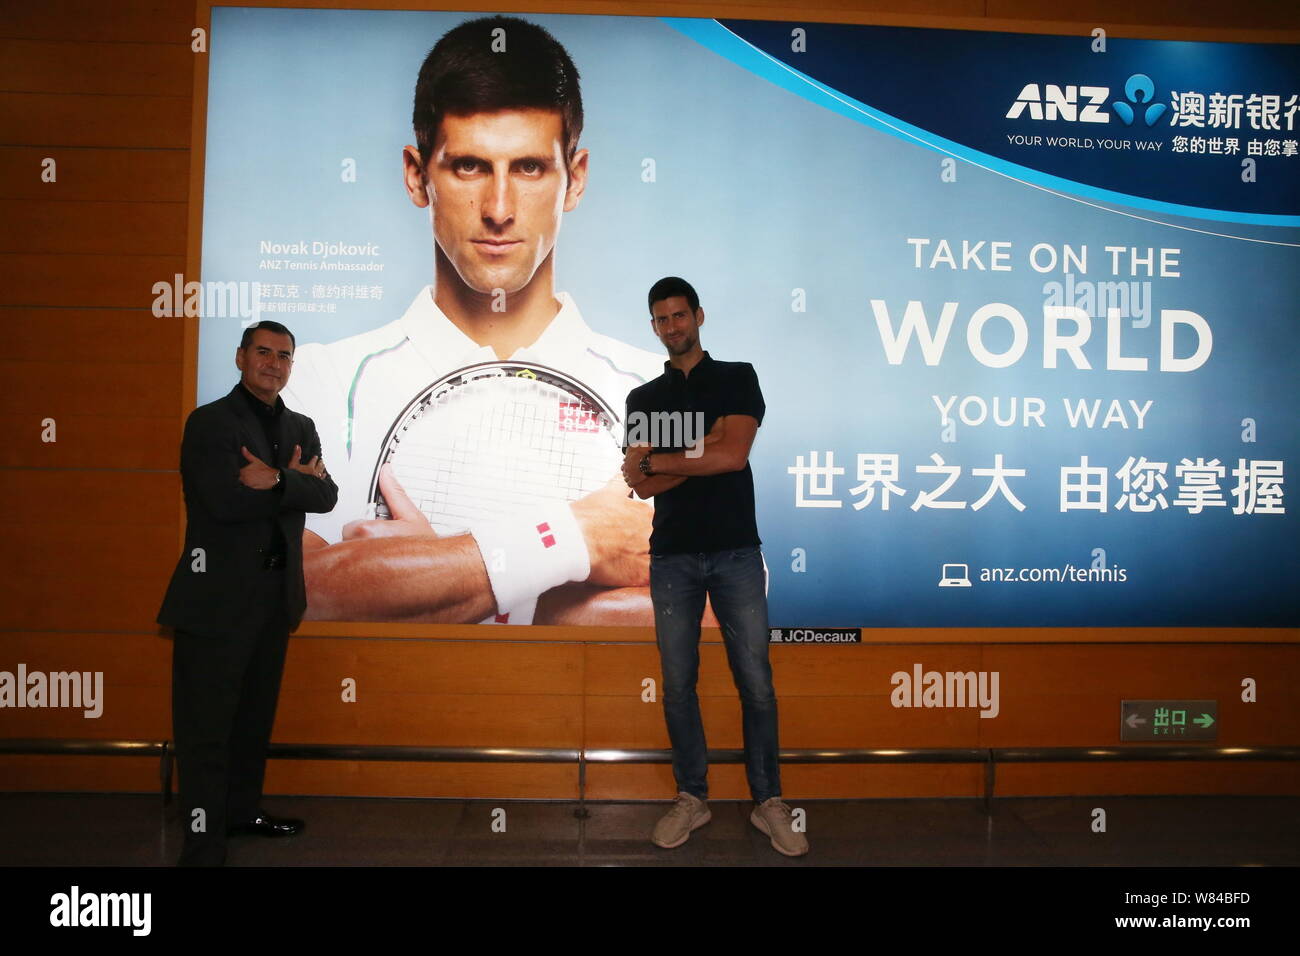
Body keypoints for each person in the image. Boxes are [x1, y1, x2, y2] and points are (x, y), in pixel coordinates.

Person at [281, 15, 665, 626]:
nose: (499, 209)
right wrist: (579, 540)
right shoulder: (314, 385)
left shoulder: (666, 392)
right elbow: (293, 593)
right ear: (417, 175)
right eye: (469, 167)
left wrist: (429, 576)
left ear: (576, 179)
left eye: (530, 168)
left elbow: (719, 612)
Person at [622, 276, 808, 857]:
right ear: (654, 326)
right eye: (662, 319)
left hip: (736, 553)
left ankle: (768, 802)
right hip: (671, 556)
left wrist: (667, 458)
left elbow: (735, 454)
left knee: (756, 683)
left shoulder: (737, 377)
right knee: (678, 686)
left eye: (681, 315)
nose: (673, 326)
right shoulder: (642, 398)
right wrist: (703, 452)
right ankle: (692, 798)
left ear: (699, 316)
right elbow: (638, 481)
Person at [158, 321, 338, 866]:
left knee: (252, 721)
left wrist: (278, 480)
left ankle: (240, 814)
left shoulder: (301, 424)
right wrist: (290, 486)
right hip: (215, 602)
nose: (274, 363)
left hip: (275, 600)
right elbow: (221, 502)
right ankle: (203, 842)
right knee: (205, 730)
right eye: (263, 352)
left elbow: (327, 495)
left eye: (284, 356)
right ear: (240, 358)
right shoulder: (209, 422)